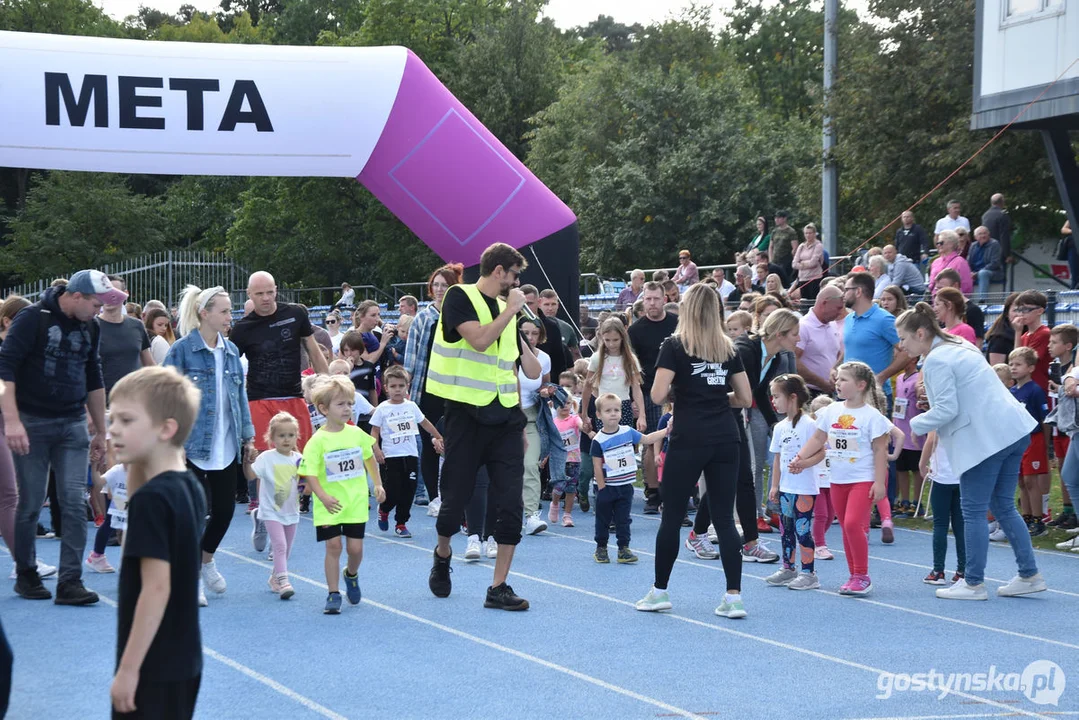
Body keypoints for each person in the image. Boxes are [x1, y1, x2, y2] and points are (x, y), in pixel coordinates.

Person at [899, 303, 1045, 600]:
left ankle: (974, 582)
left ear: (921, 332)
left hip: (985, 439)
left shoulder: (937, 360)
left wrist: (916, 422)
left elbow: (947, 409)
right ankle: (1028, 574)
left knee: (975, 510)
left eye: (904, 338)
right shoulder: (960, 344)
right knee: (1003, 506)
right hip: (1011, 429)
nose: (901, 345)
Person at [425, 243, 542, 610]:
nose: (517, 283)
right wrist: (510, 312)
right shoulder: (460, 296)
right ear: (498, 272)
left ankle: (499, 586)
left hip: (506, 419)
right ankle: (443, 554)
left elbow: (532, 371)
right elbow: (478, 341)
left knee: (510, 503)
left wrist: (523, 341)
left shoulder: (509, 317)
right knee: (455, 499)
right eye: (514, 275)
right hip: (465, 416)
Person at [0, 270, 118, 605]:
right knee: (30, 502)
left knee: (72, 500)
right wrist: (11, 420)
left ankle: (70, 581)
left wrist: (101, 429)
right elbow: (4, 367)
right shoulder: (31, 318)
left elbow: (93, 375)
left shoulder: (90, 327)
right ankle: (25, 573)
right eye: (96, 303)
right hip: (31, 421)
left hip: (71, 423)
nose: (99, 310)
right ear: (77, 295)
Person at [635, 283, 753, 617]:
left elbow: (657, 395)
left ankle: (660, 591)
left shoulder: (674, 346)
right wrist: (715, 396)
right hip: (725, 438)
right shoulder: (728, 348)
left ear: (685, 311)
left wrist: (685, 393)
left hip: (689, 437)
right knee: (724, 520)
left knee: (672, 517)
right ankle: (733, 597)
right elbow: (744, 398)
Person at [108, 366, 206, 720]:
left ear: (166, 428)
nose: (113, 429)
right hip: (184, 658)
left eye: (126, 420)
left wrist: (129, 670)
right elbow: (136, 500)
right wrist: (134, 456)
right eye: (111, 418)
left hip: (153, 664)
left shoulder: (154, 500)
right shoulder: (188, 485)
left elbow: (156, 588)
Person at [164, 285, 256, 606]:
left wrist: (248, 438)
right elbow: (167, 397)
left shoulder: (231, 351)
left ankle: (206, 560)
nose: (231, 317)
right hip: (190, 445)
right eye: (225, 311)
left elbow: (239, 397)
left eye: (231, 310)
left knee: (225, 511)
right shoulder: (181, 350)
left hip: (225, 445)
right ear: (205, 313)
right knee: (192, 513)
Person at [789, 361, 891, 596]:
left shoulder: (872, 416)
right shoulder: (831, 411)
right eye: (837, 379)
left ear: (860, 385)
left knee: (854, 524)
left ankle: (862, 575)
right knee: (846, 527)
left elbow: (879, 451)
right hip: (837, 480)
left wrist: (878, 482)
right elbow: (817, 439)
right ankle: (853, 574)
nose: (838, 383)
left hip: (862, 479)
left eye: (843, 380)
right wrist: (800, 457)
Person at [299, 376, 384, 614]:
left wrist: (377, 484)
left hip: (355, 501)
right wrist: (322, 497)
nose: (347, 408)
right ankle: (333, 593)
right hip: (329, 505)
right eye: (341, 404)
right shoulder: (317, 441)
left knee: (355, 549)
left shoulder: (356, 433)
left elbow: (368, 457)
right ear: (323, 409)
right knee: (333, 546)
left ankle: (352, 574)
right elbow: (310, 474)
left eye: (350, 403)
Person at [230, 271, 327, 454]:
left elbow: (313, 350)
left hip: (294, 397)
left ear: (276, 290)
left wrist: (329, 387)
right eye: (259, 294)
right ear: (249, 293)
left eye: (269, 292)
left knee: (302, 459)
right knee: (263, 460)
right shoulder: (242, 329)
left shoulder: (296, 314)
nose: (265, 298)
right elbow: (229, 367)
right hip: (259, 401)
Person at [735, 310, 799, 555]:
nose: (798, 339)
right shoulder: (745, 349)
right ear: (780, 334)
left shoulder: (773, 356)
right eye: (795, 334)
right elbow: (735, 389)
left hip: (734, 412)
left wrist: (776, 426)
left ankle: (741, 535)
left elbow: (759, 392)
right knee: (741, 472)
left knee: (741, 473)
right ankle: (709, 530)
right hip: (722, 413)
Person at [403, 263, 462, 509]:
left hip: (456, 388)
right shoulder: (423, 318)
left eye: (444, 285)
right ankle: (434, 497)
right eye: (436, 285)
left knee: (456, 442)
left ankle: (453, 495)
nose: (439, 290)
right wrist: (405, 386)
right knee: (429, 444)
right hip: (427, 389)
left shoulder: (460, 315)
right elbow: (412, 356)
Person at [591, 393, 667, 565]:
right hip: (606, 487)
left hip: (625, 486)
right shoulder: (598, 440)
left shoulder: (628, 431)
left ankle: (623, 548)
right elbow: (596, 466)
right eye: (608, 410)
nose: (613, 414)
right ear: (599, 415)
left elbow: (647, 438)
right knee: (603, 520)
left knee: (623, 519)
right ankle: (601, 547)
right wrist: (602, 489)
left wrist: (666, 430)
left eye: (616, 410)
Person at [369, 366, 444, 539]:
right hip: (391, 456)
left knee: (409, 491)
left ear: (407, 387)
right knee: (393, 490)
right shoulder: (382, 408)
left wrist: (439, 437)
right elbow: (374, 431)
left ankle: (401, 523)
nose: (397, 390)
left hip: (410, 455)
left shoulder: (411, 406)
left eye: (401, 386)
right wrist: (377, 449)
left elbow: (425, 423)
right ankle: (385, 510)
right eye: (393, 386)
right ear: (386, 388)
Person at [764, 374, 820, 590]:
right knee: (786, 529)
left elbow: (821, 454)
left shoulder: (809, 425)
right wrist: (774, 485)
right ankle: (788, 568)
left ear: (793, 397)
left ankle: (809, 573)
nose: (773, 401)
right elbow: (777, 459)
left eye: (777, 396)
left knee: (802, 529)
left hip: (804, 488)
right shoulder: (779, 427)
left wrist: (805, 463)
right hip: (786, 488)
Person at [627, 282, 679, 515]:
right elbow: (631, 367)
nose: (652, 304)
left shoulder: (676, 325)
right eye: (647, 299)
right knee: (650, 442)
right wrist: (635, 400)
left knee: (677, 440)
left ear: (664, 299)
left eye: (656, 299)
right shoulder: (635, 330)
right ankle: (652, 490)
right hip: (647, 390)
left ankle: (679, 489)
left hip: (677, 391)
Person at [245, 412, 302, 600]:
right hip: (271, 511)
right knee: (279, 545)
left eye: (290, 435)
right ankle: (284, 581)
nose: (286, 440)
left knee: (287, 548)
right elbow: (251, 476)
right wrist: (247, 461)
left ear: (296, 436)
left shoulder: (299, 459)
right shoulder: (266, 458)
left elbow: (306, 484)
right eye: (281, 435)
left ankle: (274, 578)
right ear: (272, 438)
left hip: (291, 510)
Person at [1008, 347, 1050, 538]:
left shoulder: (1035, 390)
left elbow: (1045, 420)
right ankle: (1025, 516)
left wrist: (1046, 445)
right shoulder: (1011, 391)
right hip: (1017, 440)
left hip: (1034, 439)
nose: (1013, 368)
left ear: (1031, 368)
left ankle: (1037, 518)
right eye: (1011, 364)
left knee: (1031, 481)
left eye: (1018, 364)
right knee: (1021, 480)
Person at [582, 317, 646, 438]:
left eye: (615, 340)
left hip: (624, 407)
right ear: (602, 338)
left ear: (622, 337)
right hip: (603, 407)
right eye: (607, 340)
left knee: (625, 444)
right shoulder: (597, 358)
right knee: (606, 445)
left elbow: (636, 388)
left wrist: (642, 415)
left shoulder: (630, 359)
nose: (611, 344)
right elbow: (587, 386)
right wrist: (584, 414)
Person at [517, 316, 552, 535]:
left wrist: (547, 391)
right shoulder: (506, 354)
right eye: (525, 333)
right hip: (505, 415)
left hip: (531, 418)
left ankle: (531, 515)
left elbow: (546, 382)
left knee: (531, 466)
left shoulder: (544, 358)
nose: (530, 338)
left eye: (534, 333)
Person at [919, 431, 965, 586]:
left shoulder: (940, 412)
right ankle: (963, 571)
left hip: (942, 476)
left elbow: (932, 439)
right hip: (962, 475)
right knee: (961, 525)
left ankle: (938, 571)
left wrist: (922, 463)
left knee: (940, 524)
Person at [1046, 324, 1077, 530]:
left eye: (1054, 342)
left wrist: (1066, 386)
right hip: (1068, 425)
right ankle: (1071, 514)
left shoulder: (1071, 368)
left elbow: (1071, 389)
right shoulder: (1058, 367)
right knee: (1068, 475)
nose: (1049, 346)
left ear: (1068, 346)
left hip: (1073, 424)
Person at [891, 354, 925, 518]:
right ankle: (904, 501)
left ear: (913, 360)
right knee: (901, 469)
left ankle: (917, 502)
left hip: (914, 433)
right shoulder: (899, 379)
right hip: (900, 431)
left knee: (916, 469)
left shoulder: (918, 379)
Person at [796, 284, 844, 396]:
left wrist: (836, 370)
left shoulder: (832, 324)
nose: (841, 312)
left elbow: (836, 353)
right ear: (824, 303)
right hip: (810, 392)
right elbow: (794, 361)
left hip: (832, 391)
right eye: (838, 308)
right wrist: (822, 383)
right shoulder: (803, 327)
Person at [551, 393, 590, 528]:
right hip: (558, 460)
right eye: (561, 404)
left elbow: (581, 426)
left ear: (572, 404)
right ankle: (555, 503)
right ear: (553, 405)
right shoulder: (553, 423)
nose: (564, 406)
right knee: (559, 486)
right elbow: (550, 442)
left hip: (574, 459)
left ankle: (567, 515)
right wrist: (544, 457)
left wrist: (588, 431)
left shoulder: (574, 419)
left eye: (567, 403)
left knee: (571, 487)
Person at [1012, 289, 1050, 393]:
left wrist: (1018, 332)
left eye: (1026, 310)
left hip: (1040, 387)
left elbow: (1022, 361)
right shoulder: (1024, 336)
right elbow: (1015, 360)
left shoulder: (1044, 333)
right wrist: (1018, 332)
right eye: (1019, 310)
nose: (1021, 314)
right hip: (1027, 387)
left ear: (1040, 311)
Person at [934, 269, 985, 345]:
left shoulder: (973, 311)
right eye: (936, 289)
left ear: (955, 286)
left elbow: (977, 344)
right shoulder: (942, 313)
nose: (938, 293)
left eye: (941, 288)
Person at [928, 230, 973, 295]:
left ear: (950, 244)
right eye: (937, 243)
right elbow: (931, 285)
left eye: (941, 243)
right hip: (935, 302)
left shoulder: (961, 262)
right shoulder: (935, 262)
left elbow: (967, 287)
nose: (938, 245)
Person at [969, 226, 1004, 300]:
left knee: (983, 273)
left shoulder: (994, 244)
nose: (983, 236)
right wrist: (969, 272)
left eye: (985, 233)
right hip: (975, 272)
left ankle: (983, 301)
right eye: (980, 234)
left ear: (989, 234)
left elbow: (995, 263)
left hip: (993, 271)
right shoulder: (973, 246)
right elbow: (968, 261)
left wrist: (977, 273)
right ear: (975, 237)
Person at [791, 223, 824, 300]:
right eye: (806, 233)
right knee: (804, 301)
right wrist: (804, 264)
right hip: (802, 278)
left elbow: (814, 262)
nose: (808, 235)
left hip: (815, 278)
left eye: (810, 233)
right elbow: (794, 263)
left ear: (814, 234)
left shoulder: (818, 245)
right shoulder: (801, 246)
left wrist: (802, 263)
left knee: (813, 300)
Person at [985, 293, 1019, 365]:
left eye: (1024, 310)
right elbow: (997, 369)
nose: (1019, 314)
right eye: (1015, 310)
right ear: (1007, 313)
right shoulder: (999, 338)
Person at [981, 193, 1012, 263]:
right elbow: (1004, 236)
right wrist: (1007, 255)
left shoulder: (985, 215)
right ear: (1002, 202)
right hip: (999, 251)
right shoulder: (1002, 215)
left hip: (986, 250)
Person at [770, 211, 799, 278]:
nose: (776, 220)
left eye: (778, 218)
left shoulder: (791, 231)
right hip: (775, 260)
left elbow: (795, 247)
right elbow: (771, 246)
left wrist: (794, 261)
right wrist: (771, 260)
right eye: (775, 218)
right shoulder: (774, 231)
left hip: (786, 261)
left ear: (784, 219)